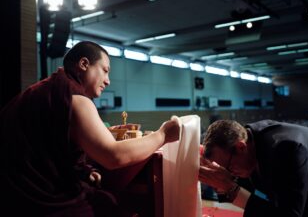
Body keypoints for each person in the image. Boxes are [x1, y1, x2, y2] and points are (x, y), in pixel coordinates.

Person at [0, 41, 180, 216]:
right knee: (113, 205)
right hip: (37, 201)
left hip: (10, 195)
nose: (108, 81)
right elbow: (113, 156)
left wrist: (85, 171)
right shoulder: (75, 98)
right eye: (105, 71)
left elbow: (48, 147)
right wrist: (162, 134)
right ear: (84, 64)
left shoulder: (43, 90)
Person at [199, 119, 308, 217]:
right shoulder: (249, 143)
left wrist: (230, 188)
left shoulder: (287, 150)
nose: (229, 174)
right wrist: (221, 185)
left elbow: (288, 214)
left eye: (228, 167)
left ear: (241, 147)